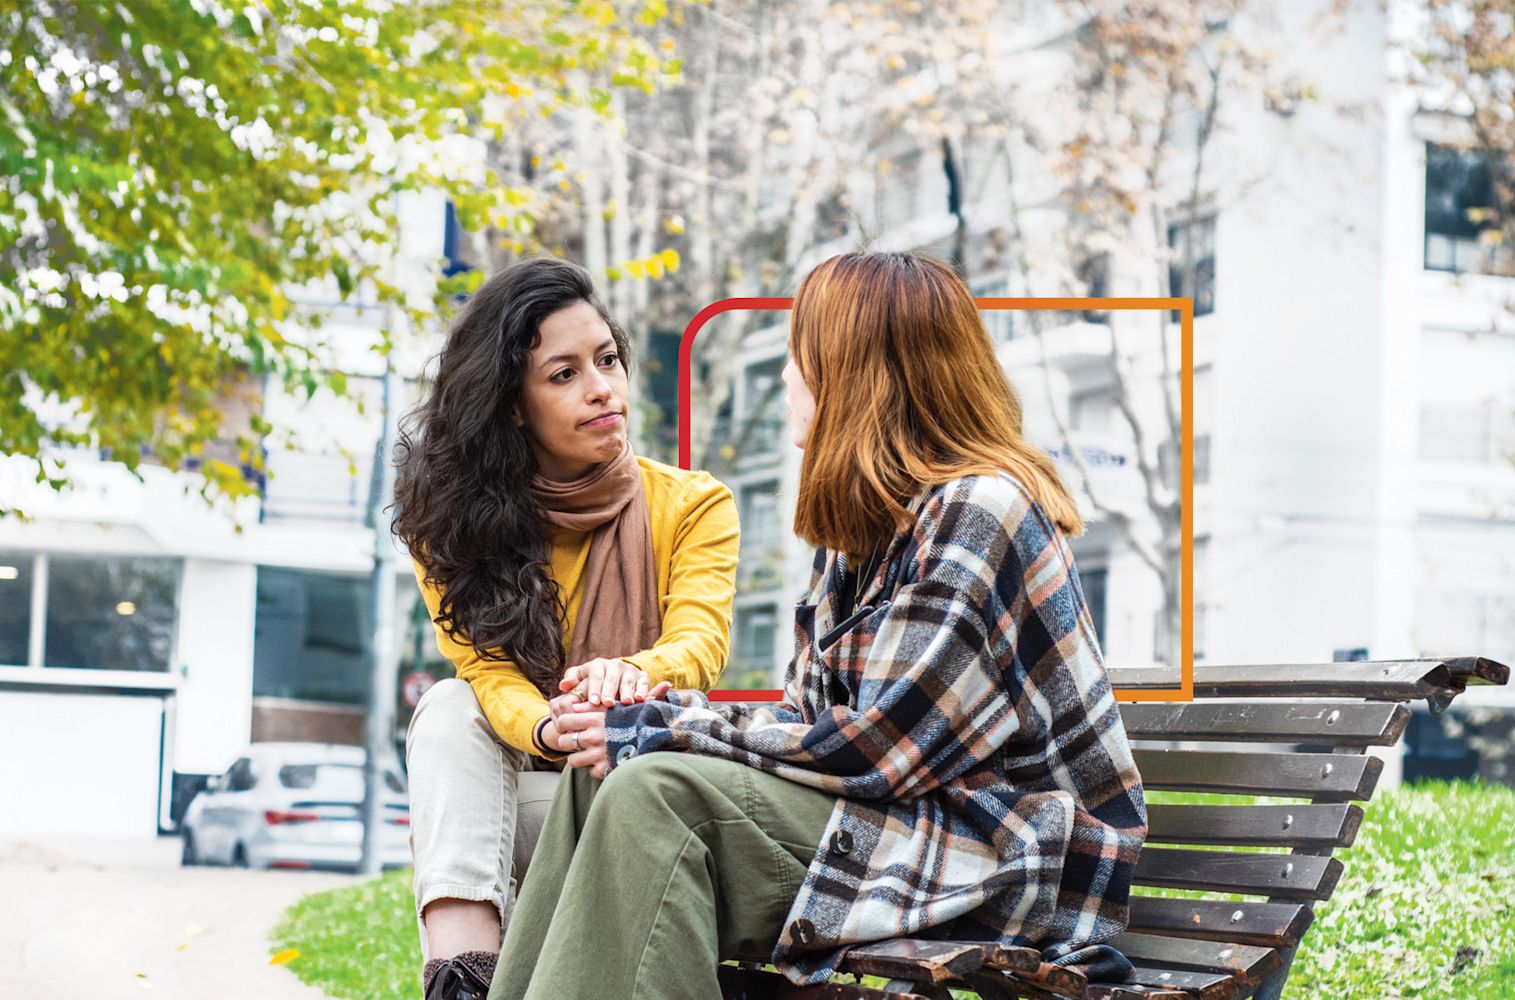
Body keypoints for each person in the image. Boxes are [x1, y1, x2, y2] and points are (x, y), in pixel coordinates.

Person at [487, 251, 1149, 1000]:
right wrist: (645, 722)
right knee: (598, 778)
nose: (786, 378)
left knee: (654, 791)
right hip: (899, 824)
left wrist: (664, 726)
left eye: (800, 355)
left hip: (1002, 853)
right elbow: (807, 727)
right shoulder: (861, 534)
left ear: (849, 371)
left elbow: (879, 749)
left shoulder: (980, 510)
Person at [390, 256, 740, 1000]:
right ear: (513, 404)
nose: (601, 388)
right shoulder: (448, 525)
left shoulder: (694, 505)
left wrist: (634, 673)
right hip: (520, 793)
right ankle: (463, 983)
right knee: (450, 708)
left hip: (632, 798)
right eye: (564, 374)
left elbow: (700, 644)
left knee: (472, 797)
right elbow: (486, 675)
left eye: (606, 359)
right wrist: (551, 729)